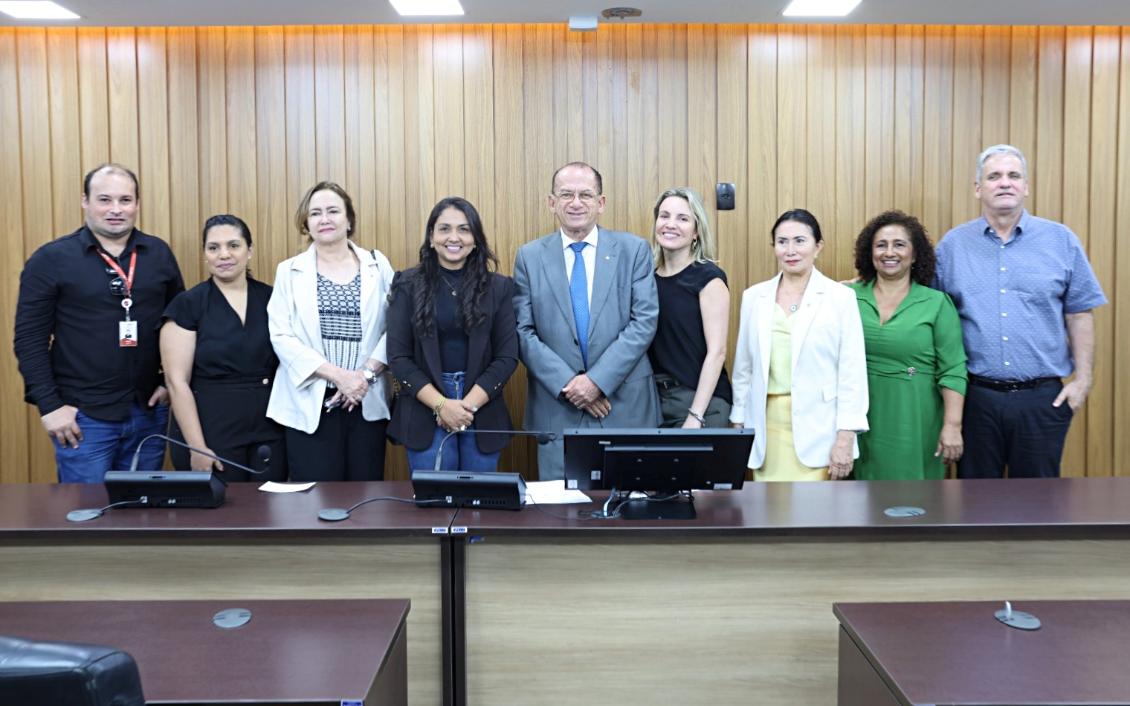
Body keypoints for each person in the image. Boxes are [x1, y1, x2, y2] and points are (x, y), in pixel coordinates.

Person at [935, 145, 1107, 478]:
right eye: (994, 176)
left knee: (1040, 506)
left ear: (1026, 186)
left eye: (1014, 176)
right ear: (978, 188)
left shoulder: (1061, 240)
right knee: (976, 503)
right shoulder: (952, 246)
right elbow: (929, 310)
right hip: (976, 400)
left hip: (1042, 399)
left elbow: (1079, 312)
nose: (1005, 183)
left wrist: (1083, 381)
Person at [14, 164, 185, 483]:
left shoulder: (158, 253)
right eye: (105, 199)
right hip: (83, 417)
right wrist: (50, 407)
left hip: (149, 411)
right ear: (85, 201)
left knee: (142, 518)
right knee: (88, 521)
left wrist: (168, 382)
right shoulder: (51, 259)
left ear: (136, 203)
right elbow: (29, 341)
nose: (116, 209)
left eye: (125, 199)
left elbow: (179, 325)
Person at [513, 161, 661, 480]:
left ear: (601, 203)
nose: (576, 203)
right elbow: (522, 332)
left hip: (624, 406)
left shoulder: (633, 250)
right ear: (552, 202)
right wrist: (571, 385)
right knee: (562, 519)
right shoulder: (529, 256)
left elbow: (644, 321)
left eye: (585, 194)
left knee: (631, 515)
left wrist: (596, 382)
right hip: (559, 410)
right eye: (566, 194)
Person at [266, 181, 395, 482]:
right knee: (312, 499)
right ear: (306, 223)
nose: (324, 219)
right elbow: (281, 336)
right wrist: (340, 377)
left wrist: (362, 377)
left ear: (349, 220)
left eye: (333, 211)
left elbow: (396, 329)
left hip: (365, 398)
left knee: (366, 498)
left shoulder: (378, 265)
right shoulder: (289, 270)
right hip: (311, 398)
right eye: (315, 213)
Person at [729, 209, 868, 481]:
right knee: (767, 516)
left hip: (820, 431)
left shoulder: (840, 298)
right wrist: (738, 422)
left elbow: (852, 372)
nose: (790, 250)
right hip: (767, 429)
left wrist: (846, 435)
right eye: (782, 242)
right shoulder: (754, 297)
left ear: (818, 247)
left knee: (815, 517)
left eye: (799, 241)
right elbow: (743, 368)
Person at [387, 197, 518, 471]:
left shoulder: (500, 288)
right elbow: (398, 358)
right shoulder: (407, 285)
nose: (453, 237)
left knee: (480, 504)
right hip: (425, 404)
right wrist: (441, 406)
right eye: (444, 229)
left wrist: (466, 407)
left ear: (475, 239)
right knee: (435, 504)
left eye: (464, 229)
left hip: (482, 403)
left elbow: (507, 357)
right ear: (431, 237)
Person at [160, 215, 287, 481]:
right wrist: (196, 446)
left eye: (233, 245)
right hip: (210, 431)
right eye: (213, 247)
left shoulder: (274, 298)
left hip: (271, 428)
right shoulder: (188, 304)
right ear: (205, 254)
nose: (224, 255)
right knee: (222, 517)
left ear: (249, 251)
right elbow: (176, 382)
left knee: (272, 513)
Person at [848, 211, 967, 480]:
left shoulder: (936, 303)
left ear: (915, 255)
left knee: (915, 501)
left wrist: (952, 425)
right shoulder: (845, 297)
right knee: (860, 502)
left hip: (915, 416)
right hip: (858, 416)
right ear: (870, 253)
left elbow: (954, 370)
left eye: (899, 244)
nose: (889, 252)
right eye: (881, 245)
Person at [648, 187, 732, 428]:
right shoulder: (647, 278)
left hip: (702, 405)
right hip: (656, 403)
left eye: (682, 218)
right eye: (664, 216)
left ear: (696, 231)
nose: (670, 224)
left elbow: (717, 353)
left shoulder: (708, 278)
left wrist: (695, 415)